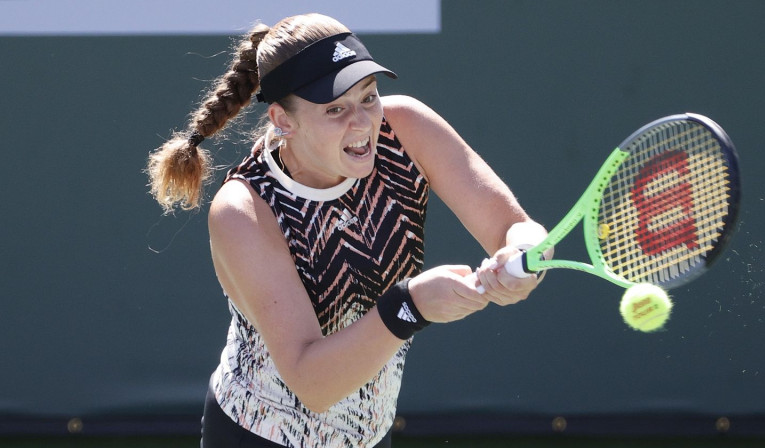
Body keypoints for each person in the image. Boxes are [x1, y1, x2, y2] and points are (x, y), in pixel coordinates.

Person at [146, 13, 550, 448]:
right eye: (336, 109)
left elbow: (514, 228)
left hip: (371, 436)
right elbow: (312, 382)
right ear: (283, 120)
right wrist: (410, 305)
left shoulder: (407, 129)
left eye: (368, 97)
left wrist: (522, 258)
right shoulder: (244, 211)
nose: (363, 122)